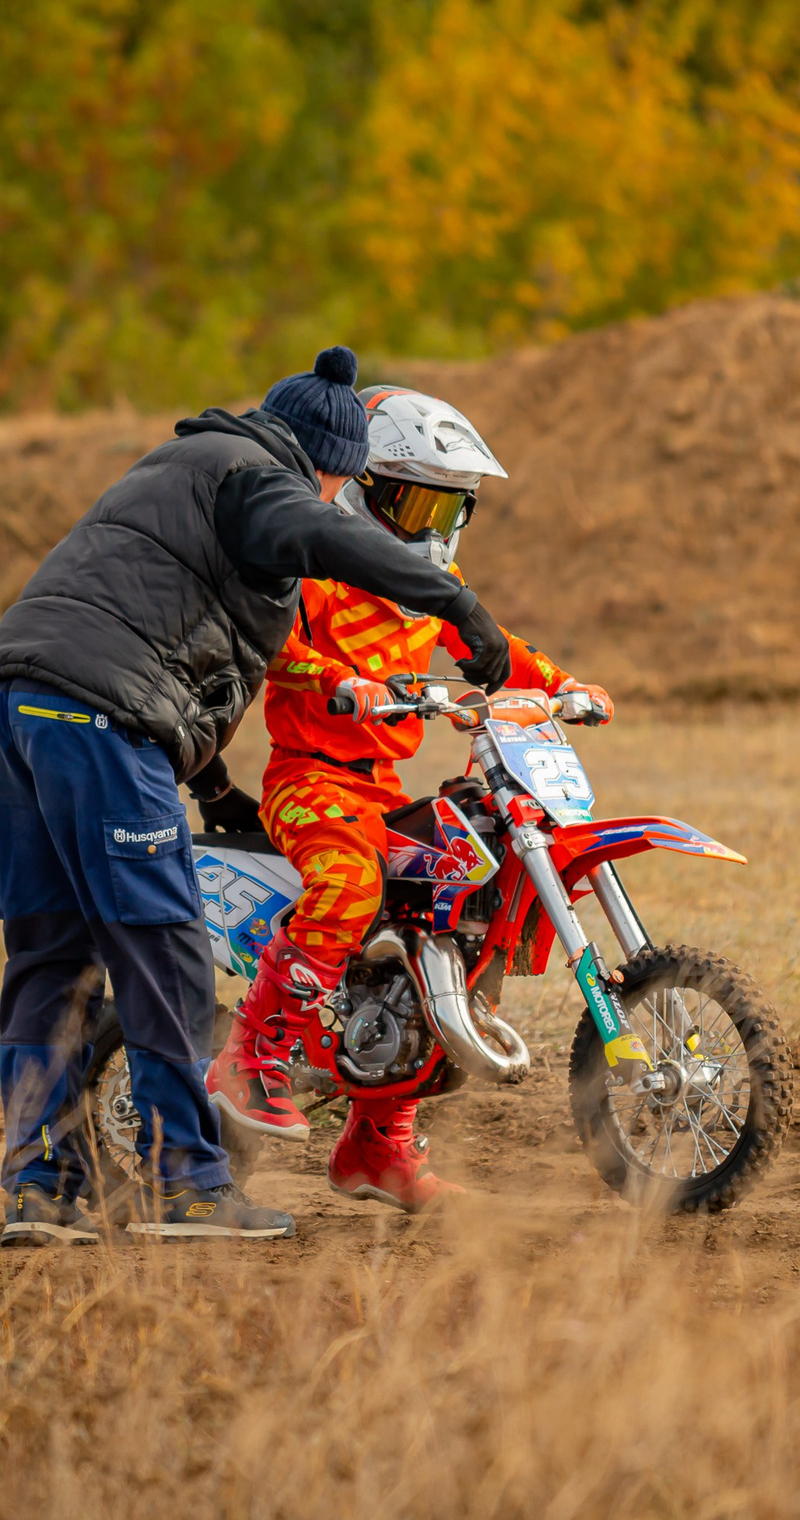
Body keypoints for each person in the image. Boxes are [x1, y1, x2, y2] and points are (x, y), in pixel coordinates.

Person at [0, 347, 520, 1246]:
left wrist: (214, 785)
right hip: (100, 722)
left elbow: (157, 636)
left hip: (17, 703)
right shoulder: (258, 481)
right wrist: (458, 609)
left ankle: (44, 1194)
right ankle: (188, 1188)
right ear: (333, 465)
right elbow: (327, 540)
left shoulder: (179, 469)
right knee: (164, 950)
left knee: (50, 960)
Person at [205, 385, 614, 1212]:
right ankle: (251, 1053)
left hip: (382, 791)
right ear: (366, 487)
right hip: (309, 779)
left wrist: (564, 685)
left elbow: (498, 650)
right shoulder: (314, 569)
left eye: (446, 506)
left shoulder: (435, 583)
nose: (429, 526)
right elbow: (277, 651)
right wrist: (342, 683)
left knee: (454, 926)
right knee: (352, 885)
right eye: (412, 501)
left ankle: (375, 1147)